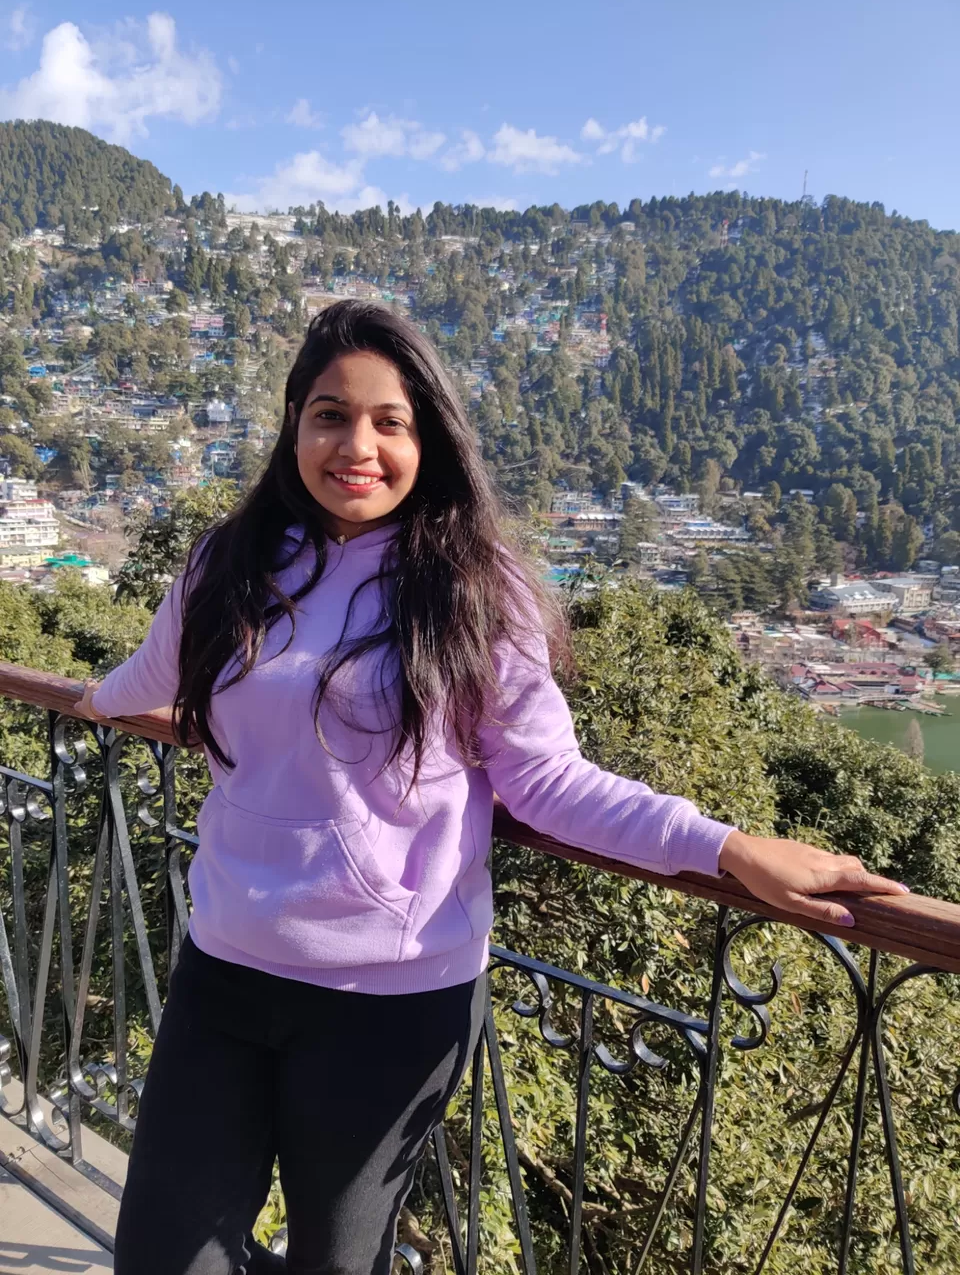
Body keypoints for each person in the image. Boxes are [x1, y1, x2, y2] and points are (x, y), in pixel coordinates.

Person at [76, 301, 907, 1275]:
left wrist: (727, 848)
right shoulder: (228, 564)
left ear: (429, 435)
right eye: (331, 414)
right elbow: (149, 678)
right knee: (162, 1258)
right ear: (294, 422)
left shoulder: (472, 589)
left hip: (388, 1003)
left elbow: (550, 780)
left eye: (391, 421)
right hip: (223, 970)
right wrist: (88, 697)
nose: (358, 443)